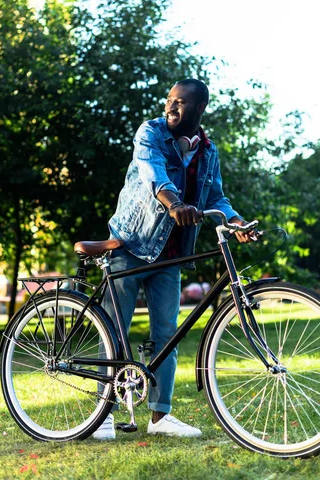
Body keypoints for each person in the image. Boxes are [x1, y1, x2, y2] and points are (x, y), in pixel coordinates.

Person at [93, 78, 255, 440]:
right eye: (169, 101)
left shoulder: (208, 152)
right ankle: (103, 415)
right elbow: (154, 174)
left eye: (181, 103)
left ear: (200, 109)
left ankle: (159, 417)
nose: (171, 107)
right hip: (129, 245)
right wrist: (175, 204)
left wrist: (237, 222)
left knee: (167, 335)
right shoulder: (150, 132)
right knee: (111, 333)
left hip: (169, 256)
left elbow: (217, 197)